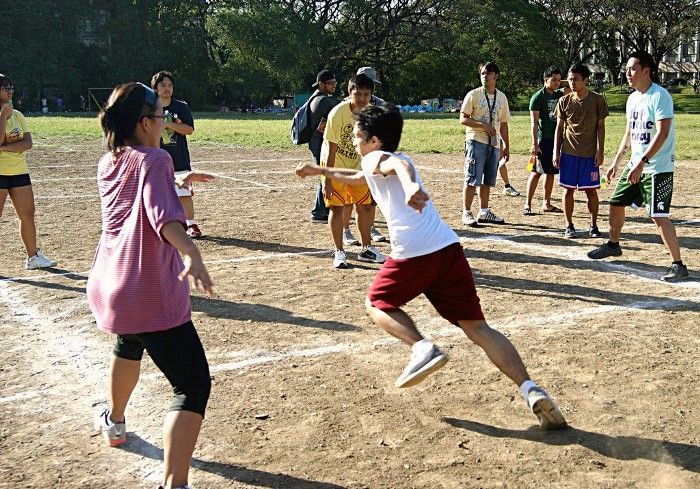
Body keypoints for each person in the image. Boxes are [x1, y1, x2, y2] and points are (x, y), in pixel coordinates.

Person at [296, 104, 567, 430]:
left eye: (357, 137)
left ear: (374, 140)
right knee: (478, 328)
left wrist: (410, 188)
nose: (354, 143)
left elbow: (391, 165)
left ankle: (423, 348)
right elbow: (359, 176)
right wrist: (320, 171)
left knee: (376, 304)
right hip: (448, 249)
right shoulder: (385, 160)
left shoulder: (380, 158)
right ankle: (530, 388)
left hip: (414, 253)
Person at [88, 82, 214, 489]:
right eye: (161, 116)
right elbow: (162, 216)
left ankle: (116, 422)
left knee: (129, 343)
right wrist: (191, 252)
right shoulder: (155, 159)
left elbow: (140, 182)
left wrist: (178, 175)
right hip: (148, 288)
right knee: (192, 383)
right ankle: (173, 484)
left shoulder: (110, 160)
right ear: (144, 123)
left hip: (112, 283)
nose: (166, 123)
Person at [587, 52, 690, 282]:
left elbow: (662, 133)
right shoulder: (632, 98)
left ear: (646, 71)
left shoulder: (660, 96)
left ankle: (678, 264)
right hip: (635, 165)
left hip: (656, 168)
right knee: (616, 202)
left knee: (658, 215)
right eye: (627, 69)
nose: (628, 73)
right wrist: (616, 162)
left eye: (632, 69)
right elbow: (629, 134)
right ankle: (613, 245)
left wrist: (642, 163)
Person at [321, 74, 386, 268]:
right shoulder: (338, 113)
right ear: (349, 93)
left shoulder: (372, 114)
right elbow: (331, 149)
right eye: (358, 94)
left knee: (366, 206)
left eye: (366, 95)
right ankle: (339, 252)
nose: (362, 99)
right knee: (337, 208)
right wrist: (328, 180)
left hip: (360, 168)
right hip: (337, 166)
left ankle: (366, 249)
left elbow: (375, 145)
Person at [0, 74, 58, 270]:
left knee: (28, 214)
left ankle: (33, 257)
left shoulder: (18, 115)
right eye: (5, 87)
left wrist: (6, 148)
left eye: (11, 87)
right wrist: (2, 117)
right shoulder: (7, 115)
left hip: (19, 171)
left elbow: (28, 143)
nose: (9, 91)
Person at [553, 64, 609, 238]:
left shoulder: (597, 100)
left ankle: (593, 226)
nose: (572, 82)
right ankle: (569, 225)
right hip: (569, 154)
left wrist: (600, 151)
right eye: (570, 79)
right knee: (567, 190)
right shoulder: (564, 101)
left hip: (589, 155)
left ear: (586, 81)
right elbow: (559, 128)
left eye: (576, 79)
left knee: (591, 191)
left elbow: (601, 127)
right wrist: (556, 151)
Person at [460, 62, 511, 227]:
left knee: (488, 180)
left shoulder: (501, 97)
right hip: (476, 141)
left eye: (488, 73)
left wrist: (507, 146)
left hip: (494, 144)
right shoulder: (473, 95)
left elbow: (503, 124)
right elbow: (463, 119)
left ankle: (484, 211)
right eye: (482, 73)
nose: (485, 76)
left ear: (496, 76)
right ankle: (466, 212)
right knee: (472, 178)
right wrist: (482, 125)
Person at [151, 71, 201, 238]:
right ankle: (159, 224)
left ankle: (191, 224)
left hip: (179, 158)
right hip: (156, 159)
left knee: (184, 192)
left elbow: (189, 130)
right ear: (155, 88)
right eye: (163, 85)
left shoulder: (181, 107)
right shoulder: (149, 107)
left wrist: (168, 124)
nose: (167, 88)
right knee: (156, 193)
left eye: (170, 85)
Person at [342, 66, 388, 245]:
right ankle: (346, 229)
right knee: (348, 198)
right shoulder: (347, 104)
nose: (363, 96)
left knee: (371, 197)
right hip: (350, 156)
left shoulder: (379, 104)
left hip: (370, 156)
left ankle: (370, 227)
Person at [524, 66, 566, 215]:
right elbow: (534, 123)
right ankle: (527, 203)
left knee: (551, 173)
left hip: (556, 140)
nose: (557, 83)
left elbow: (571, 87)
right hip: (543, 140)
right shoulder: (538, 97)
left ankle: (546, 203)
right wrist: (535, 144)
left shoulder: (558, 95)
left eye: (559, 80)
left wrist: (562, 82)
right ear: (545, 80)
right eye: (553, 79)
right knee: (536, 172)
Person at [307, 70, 339, 223]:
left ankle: (323, 209)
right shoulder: (323, 100)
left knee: (325, 172)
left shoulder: (317, 97)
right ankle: (319, 211)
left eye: (335, 83)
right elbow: (338, 108)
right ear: (321, 84)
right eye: (330, 83)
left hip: (317, 141)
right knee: (325, 173)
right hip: (319, 142)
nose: (333, 86)